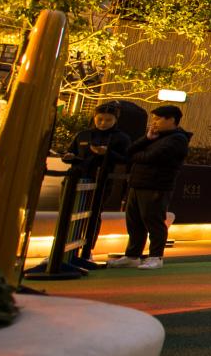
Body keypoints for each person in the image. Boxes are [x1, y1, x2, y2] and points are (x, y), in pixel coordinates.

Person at [108, 104, 192, 270]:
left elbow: (152, 157)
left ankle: (156, 256)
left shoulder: (178, 139)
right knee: (134, 222)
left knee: (153, 221)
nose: (154, 122)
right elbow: (130, 152)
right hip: (138, 182)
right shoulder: (155, 136)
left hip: (157, 185)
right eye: (153, 118)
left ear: (172, 120)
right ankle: (132, 255)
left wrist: (136, 156)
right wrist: (147, 138)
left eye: (158, 118)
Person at [65, 101, 132, 270]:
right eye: (100, 119)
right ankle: (65, 248)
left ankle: (87, 250)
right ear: (94, 118)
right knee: (69, 212)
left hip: (103, 180)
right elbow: (70, 152)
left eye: (108, 120)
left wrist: (107, 153)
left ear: (115, 120)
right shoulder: (83, 135)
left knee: (94, 214)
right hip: (77, 178)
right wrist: (69, 157)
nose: (103, 123)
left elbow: (127, 159)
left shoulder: (121, 138)